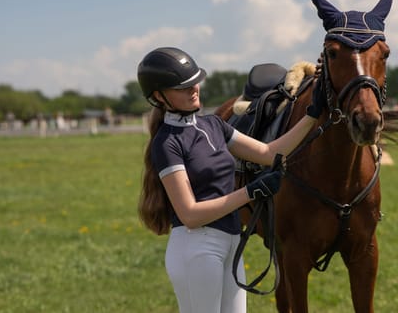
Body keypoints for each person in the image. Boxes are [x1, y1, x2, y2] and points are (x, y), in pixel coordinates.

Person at [136, 47, 325, 313]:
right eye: (183, 87)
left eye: (195, 82)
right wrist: (250, 192)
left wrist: (312, 116)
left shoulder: (213, 125)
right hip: (196, 247)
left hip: (231, 244)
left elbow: (269, 152)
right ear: (159, 96)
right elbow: (190, 214)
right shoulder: (166, 143)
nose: (194, 89)